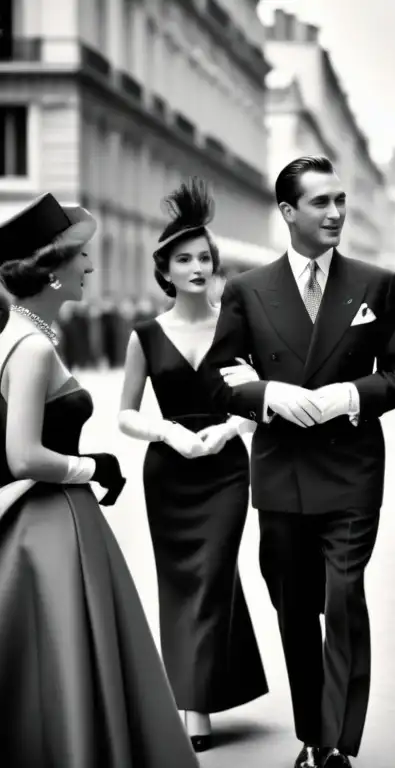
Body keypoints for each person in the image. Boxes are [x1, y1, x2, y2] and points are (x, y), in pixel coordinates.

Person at [205, 155, 395, 768]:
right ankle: (311, 736)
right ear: (288, 212)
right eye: (321, 202)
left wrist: (350, 395)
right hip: (280, 475)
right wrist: (269, 395)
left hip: (351, 471)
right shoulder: (247, 289)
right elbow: (221, 376)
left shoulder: (377, 283)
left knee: (345, 598)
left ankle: (338, 744)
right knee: (294, 609)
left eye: (341, 200)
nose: (336, 213)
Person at [0, 193, 199, 766]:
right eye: (80, 258)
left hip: (44, 521)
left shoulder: (19, 335)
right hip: (51, 521)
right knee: (71, 657)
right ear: (50, 271)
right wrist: (94, 467)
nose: (90, 267)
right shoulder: (32, 347)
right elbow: (23, 456)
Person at [117, 179, 268, 752]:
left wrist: (231, 428)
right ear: (166, 270)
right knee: (185, 584)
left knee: (211, 578)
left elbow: (258, 400)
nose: (197, 266)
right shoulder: (144, 336)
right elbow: (126, 414)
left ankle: (195, 706)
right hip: (170, 473)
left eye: (204, 257)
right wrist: (171, 434)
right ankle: (202, 689)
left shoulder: (238, 328)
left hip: (227, 469)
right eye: (185, 259)